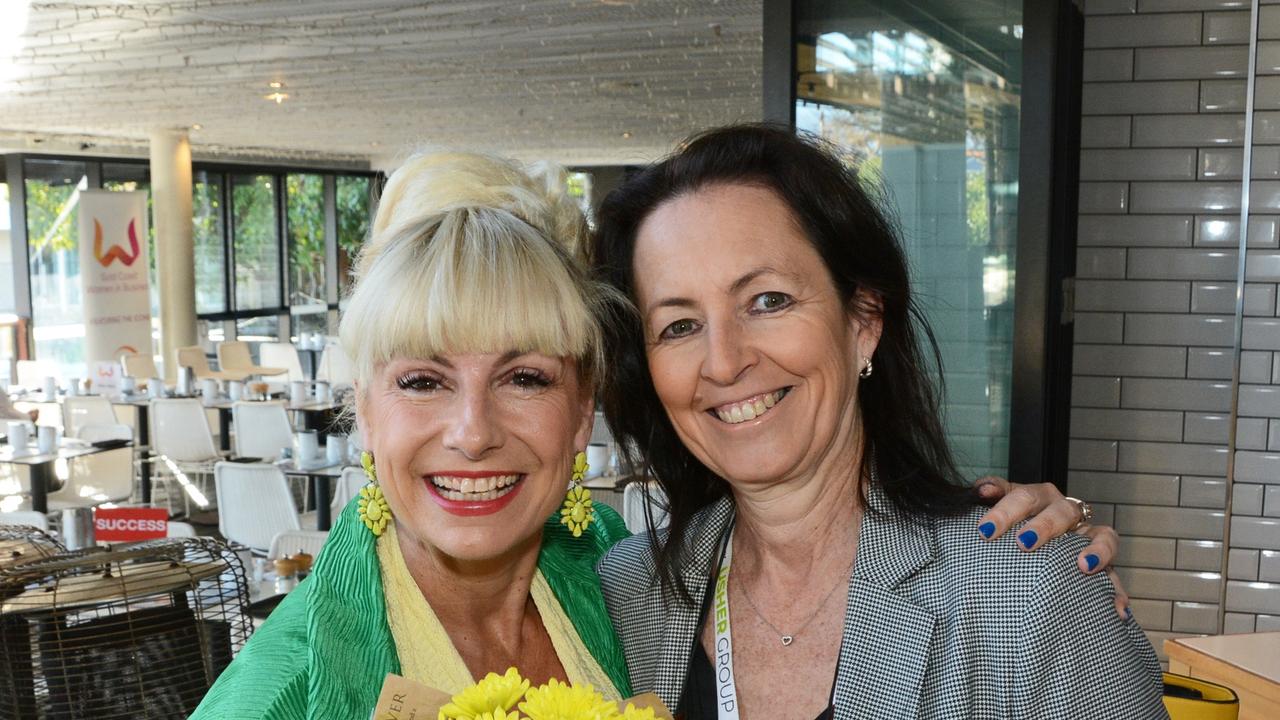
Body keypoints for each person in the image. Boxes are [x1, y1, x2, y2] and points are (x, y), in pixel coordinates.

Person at [591, 125, 1165, 718]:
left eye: (768, 301)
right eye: (679, 326)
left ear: (863, 320)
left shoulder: (1027, 591)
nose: (724, 362)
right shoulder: (630, 591)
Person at [192, 151, 633, 717]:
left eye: (524, 378)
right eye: (423, 382)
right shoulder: (276, 699)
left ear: (580, 410)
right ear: (366, 410)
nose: (473, 434)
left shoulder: (616, 568)